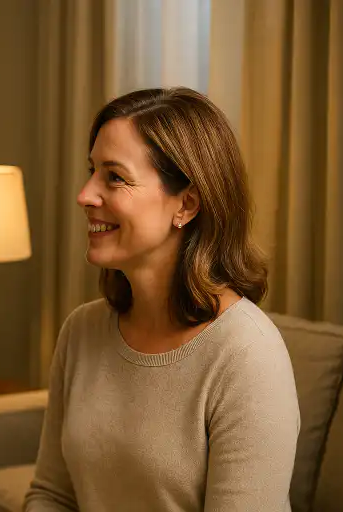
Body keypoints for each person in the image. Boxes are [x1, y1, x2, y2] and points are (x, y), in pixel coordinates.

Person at [24, 87, 300, 511]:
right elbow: (52, 495)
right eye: (91, 170)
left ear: (186, 205)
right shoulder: (82, 330)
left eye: (114, 176)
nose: (85, 195)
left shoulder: (248, 354)